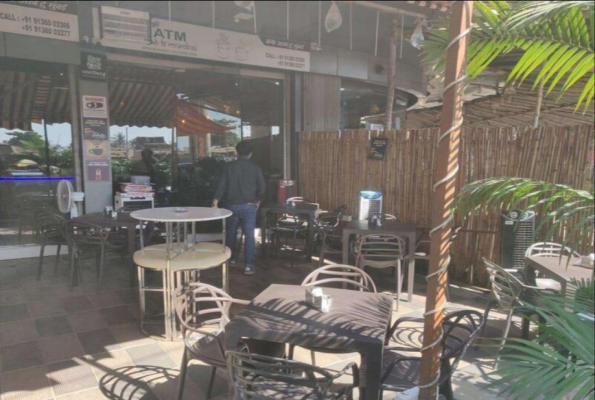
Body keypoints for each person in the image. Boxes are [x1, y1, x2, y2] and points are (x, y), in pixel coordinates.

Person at [212, 141, 265, 275]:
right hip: (249, 206)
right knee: (249, 236)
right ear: (251, 154)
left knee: (231, 233)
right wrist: (258, 201)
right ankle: (248, 266)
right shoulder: (256, 168)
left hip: (231, 206)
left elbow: (222, 185)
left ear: (237, 152)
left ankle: (231, 259)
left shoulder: (229, 167)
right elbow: (262, 188)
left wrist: (215, 201)